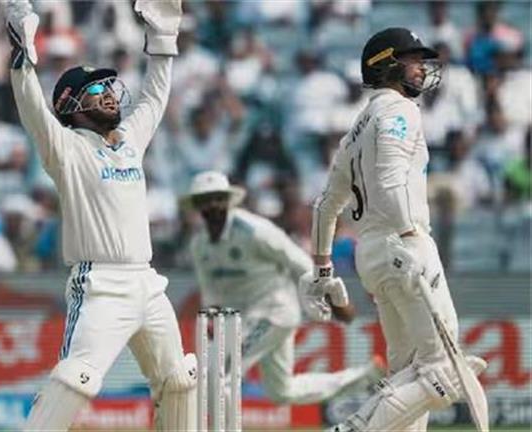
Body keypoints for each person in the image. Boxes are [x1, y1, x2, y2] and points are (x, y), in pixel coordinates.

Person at [5, 0, 195, 430]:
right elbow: (32, 108)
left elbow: (155, 97)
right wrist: (22, 53)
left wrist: (163, 40)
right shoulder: (66, 149)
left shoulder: (129, 141)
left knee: (179, 380)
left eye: (110, 86)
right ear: (72, 104)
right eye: (96, 90)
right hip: (100, 285)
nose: (109, 95)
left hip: (147, 281)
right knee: (77, 379)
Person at [300, 28, 487, 431]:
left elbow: (325, 206)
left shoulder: (354, 131)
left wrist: (322, 270)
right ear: (386, 64)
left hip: (373, 254)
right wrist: (409, 238)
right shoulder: (400, 111)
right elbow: (389, 179)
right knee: (444, 370)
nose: (421, 67)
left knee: (408, 371)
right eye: (412, 59)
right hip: (403, 245)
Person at [185, 171, 382, 430]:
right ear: (197, 205)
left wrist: (334, 297)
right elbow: (211, 293)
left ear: (228, 200)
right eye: (205, 200)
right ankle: (364, 377)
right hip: (247, 319)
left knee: (221, 371)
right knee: (282, 391)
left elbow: (298, 261)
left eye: (217, 198)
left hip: (274, 311)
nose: (212, 206)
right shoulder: (200, 245)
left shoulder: (253, 230)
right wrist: (213, 319)